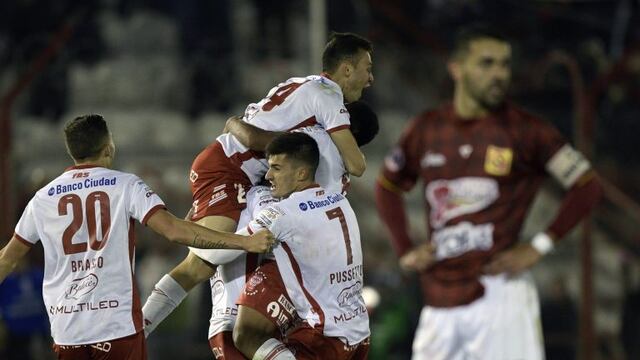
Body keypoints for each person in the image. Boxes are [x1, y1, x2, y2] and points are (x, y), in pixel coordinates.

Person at [374, 24, 603, 360]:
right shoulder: (426, 129)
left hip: (499, 293)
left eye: (505, 64)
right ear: (457, 68)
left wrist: (540, 246)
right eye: (487, 63)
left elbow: (588, 186)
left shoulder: (527, 130)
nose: (499, 74)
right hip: (439, 298)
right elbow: (387, 186)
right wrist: (404, 247)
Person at [142, 31, 374, 357]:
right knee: (203, 262)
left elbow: (259, 137)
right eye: (366, 68)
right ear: (346, 69)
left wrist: (236, 124)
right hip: (229, 169)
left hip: (233, 168)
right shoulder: (327, 102)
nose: (371, 78)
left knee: (209, 269)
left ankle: (141, 330)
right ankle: (137, 331)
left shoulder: (300, 86)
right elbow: (355, 164)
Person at [0, 114, 274, 360]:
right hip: (117, 328)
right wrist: (244, 241)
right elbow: (174, 231)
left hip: (66, 332)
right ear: (109, 147)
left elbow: (8, 260)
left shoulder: (42, 198)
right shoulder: (125, 184)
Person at [234, 132, 370, 359]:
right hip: (359, 333)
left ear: (302, 173)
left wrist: (184, 234)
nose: (268, 175)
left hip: (324, 337)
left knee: (246, 336)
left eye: (276, 168)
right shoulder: (341, 201)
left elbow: (220, 252)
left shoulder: (286, 212)